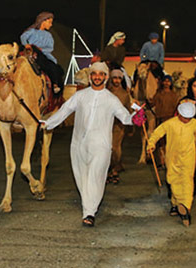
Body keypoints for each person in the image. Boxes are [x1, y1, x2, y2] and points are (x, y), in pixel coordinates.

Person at [42, 62, 140, 227]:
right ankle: (88, 205)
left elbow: (125, 118)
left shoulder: (111, 99)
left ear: (105, 77)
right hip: (79, 143)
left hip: (101, 145)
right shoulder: (80, 96)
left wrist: (136, 118)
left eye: (101, 74)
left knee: (95, 176)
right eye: (94, 74)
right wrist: (47, 123)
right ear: (90, 77)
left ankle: (89, 212)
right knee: (82, 177)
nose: (97, 77)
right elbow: (65, 110)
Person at [147, 101, 196, 227]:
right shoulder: (170, 124)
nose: (186, 120)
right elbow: (157, 133)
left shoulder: (194, 124)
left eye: (189, 118)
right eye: (184, 118)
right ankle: (176, 204)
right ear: (179, 114)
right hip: (172, 158)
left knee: (187, 180)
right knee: (173, 180)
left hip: (188, 157)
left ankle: (185, 205)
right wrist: (151, 144)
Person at [20, 11, 64, 94]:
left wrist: (41, 50)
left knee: (51, 66)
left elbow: (50, 48)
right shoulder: (32, 31)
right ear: (43, 21)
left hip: (43, 54)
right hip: (30, 52)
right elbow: (23, 37)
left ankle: (54, 84)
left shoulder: (49, 36)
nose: (51, 25)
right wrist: (26, 44)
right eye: (49, 22)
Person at [107, 68, 132, 184]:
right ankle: (107, 171)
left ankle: (115, 169)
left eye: (119, 78)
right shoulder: (106, 92)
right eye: (115, 78)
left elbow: (128, 109)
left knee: (116, 147)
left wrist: (130, 125)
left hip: (119, 125)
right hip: (105, 124)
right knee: (106, 148)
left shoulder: (125, 94)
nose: (116, 80)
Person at [150, 74, 179, 169]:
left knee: (170, 142)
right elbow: (152, 103)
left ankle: (169, 160)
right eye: (165, 81)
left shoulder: (174, 95)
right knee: (160, 142)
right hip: (160, 119)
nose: (166, 83)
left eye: (168, 81)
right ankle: (160, 161)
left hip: (171, 120)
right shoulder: (158, 94)